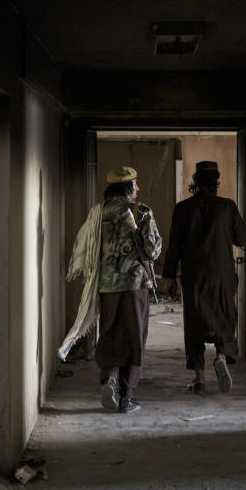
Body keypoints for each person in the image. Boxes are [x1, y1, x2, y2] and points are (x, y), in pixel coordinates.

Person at [58, 166, 162, 413]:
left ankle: (110, 379)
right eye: (135, 184)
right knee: (135, 339)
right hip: (134, 286)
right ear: (128, 187)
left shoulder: (98, 212)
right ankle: (126, 397)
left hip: (106, 286)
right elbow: (153, 250)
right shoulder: (140, 211)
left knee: (110, 334)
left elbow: (86, 246)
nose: (137, 188)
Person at [162, 160, 246, 394]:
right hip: (222, 274)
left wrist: (169, 276)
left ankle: (199, 380)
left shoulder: (182, 208)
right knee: (224, 316)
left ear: (195, 181)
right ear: (216, 181)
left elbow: (174, 247)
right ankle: (221, 355)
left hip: (194, 275)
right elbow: (241, 239)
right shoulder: (227, 207)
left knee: (194, 322)